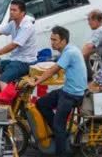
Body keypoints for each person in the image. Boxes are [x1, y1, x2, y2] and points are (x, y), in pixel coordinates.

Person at [29, 26, 87, 157]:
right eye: (51, 39)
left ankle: (61, 149)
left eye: (55, 40)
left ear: (63, 40)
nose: (52, 42)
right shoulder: (68, 50)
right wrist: (39, 76)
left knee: (58, 125)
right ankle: (59, 132)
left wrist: (37, 82)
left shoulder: (69, 52)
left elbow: (54, 69)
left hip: (72, 95)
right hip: (67, 90)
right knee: (41, 103)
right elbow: (55, 66)